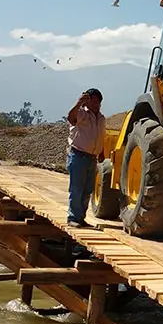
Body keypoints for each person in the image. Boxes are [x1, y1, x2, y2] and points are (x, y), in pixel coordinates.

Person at [66, 88, 105, 228]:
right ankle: (73, 217)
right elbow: (71, 118)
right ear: (86, 101)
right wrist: (78, 103)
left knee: (87, 190)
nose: (95, 104)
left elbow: (100, 135)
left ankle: (80, 217)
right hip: (78, 155)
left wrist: (101, 152)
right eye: (92, 101)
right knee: (76, 188)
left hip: (92, 158)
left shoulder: (101, 118)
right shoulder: (81, 113)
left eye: (97, 101)